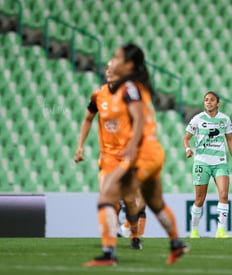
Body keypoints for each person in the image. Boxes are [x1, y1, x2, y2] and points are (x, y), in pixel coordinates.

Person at [75, 43, 188, 266]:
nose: (112, 61)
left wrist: (132, 146)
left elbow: (139, 119)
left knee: (107, 197)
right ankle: (177, 244)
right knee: (155, 203)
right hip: (151, 154)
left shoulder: (130, 88)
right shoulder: (117, 90)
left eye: (116, 57)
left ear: (128, 65)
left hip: (142, 154)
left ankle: (109, 254)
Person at [75, 62, 146, 250]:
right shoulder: (98, 95)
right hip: (107, 157)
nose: (109, 72)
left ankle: (135, 234)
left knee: (130, 200)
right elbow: (88, 118)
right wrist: (80, 146)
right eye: (107, 69)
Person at [183, 91, 232, 239]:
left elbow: (230, 140)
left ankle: (220, 231)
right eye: (206, 100)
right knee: (200, 199)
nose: (208, 102)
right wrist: (188, 149)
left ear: (218, 103)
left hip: (220, 162)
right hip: (202, 162)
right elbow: (186, 138)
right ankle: (194, 230)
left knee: (224, 194)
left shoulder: (224, 120)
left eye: (212, 100)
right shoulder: (197, 119)